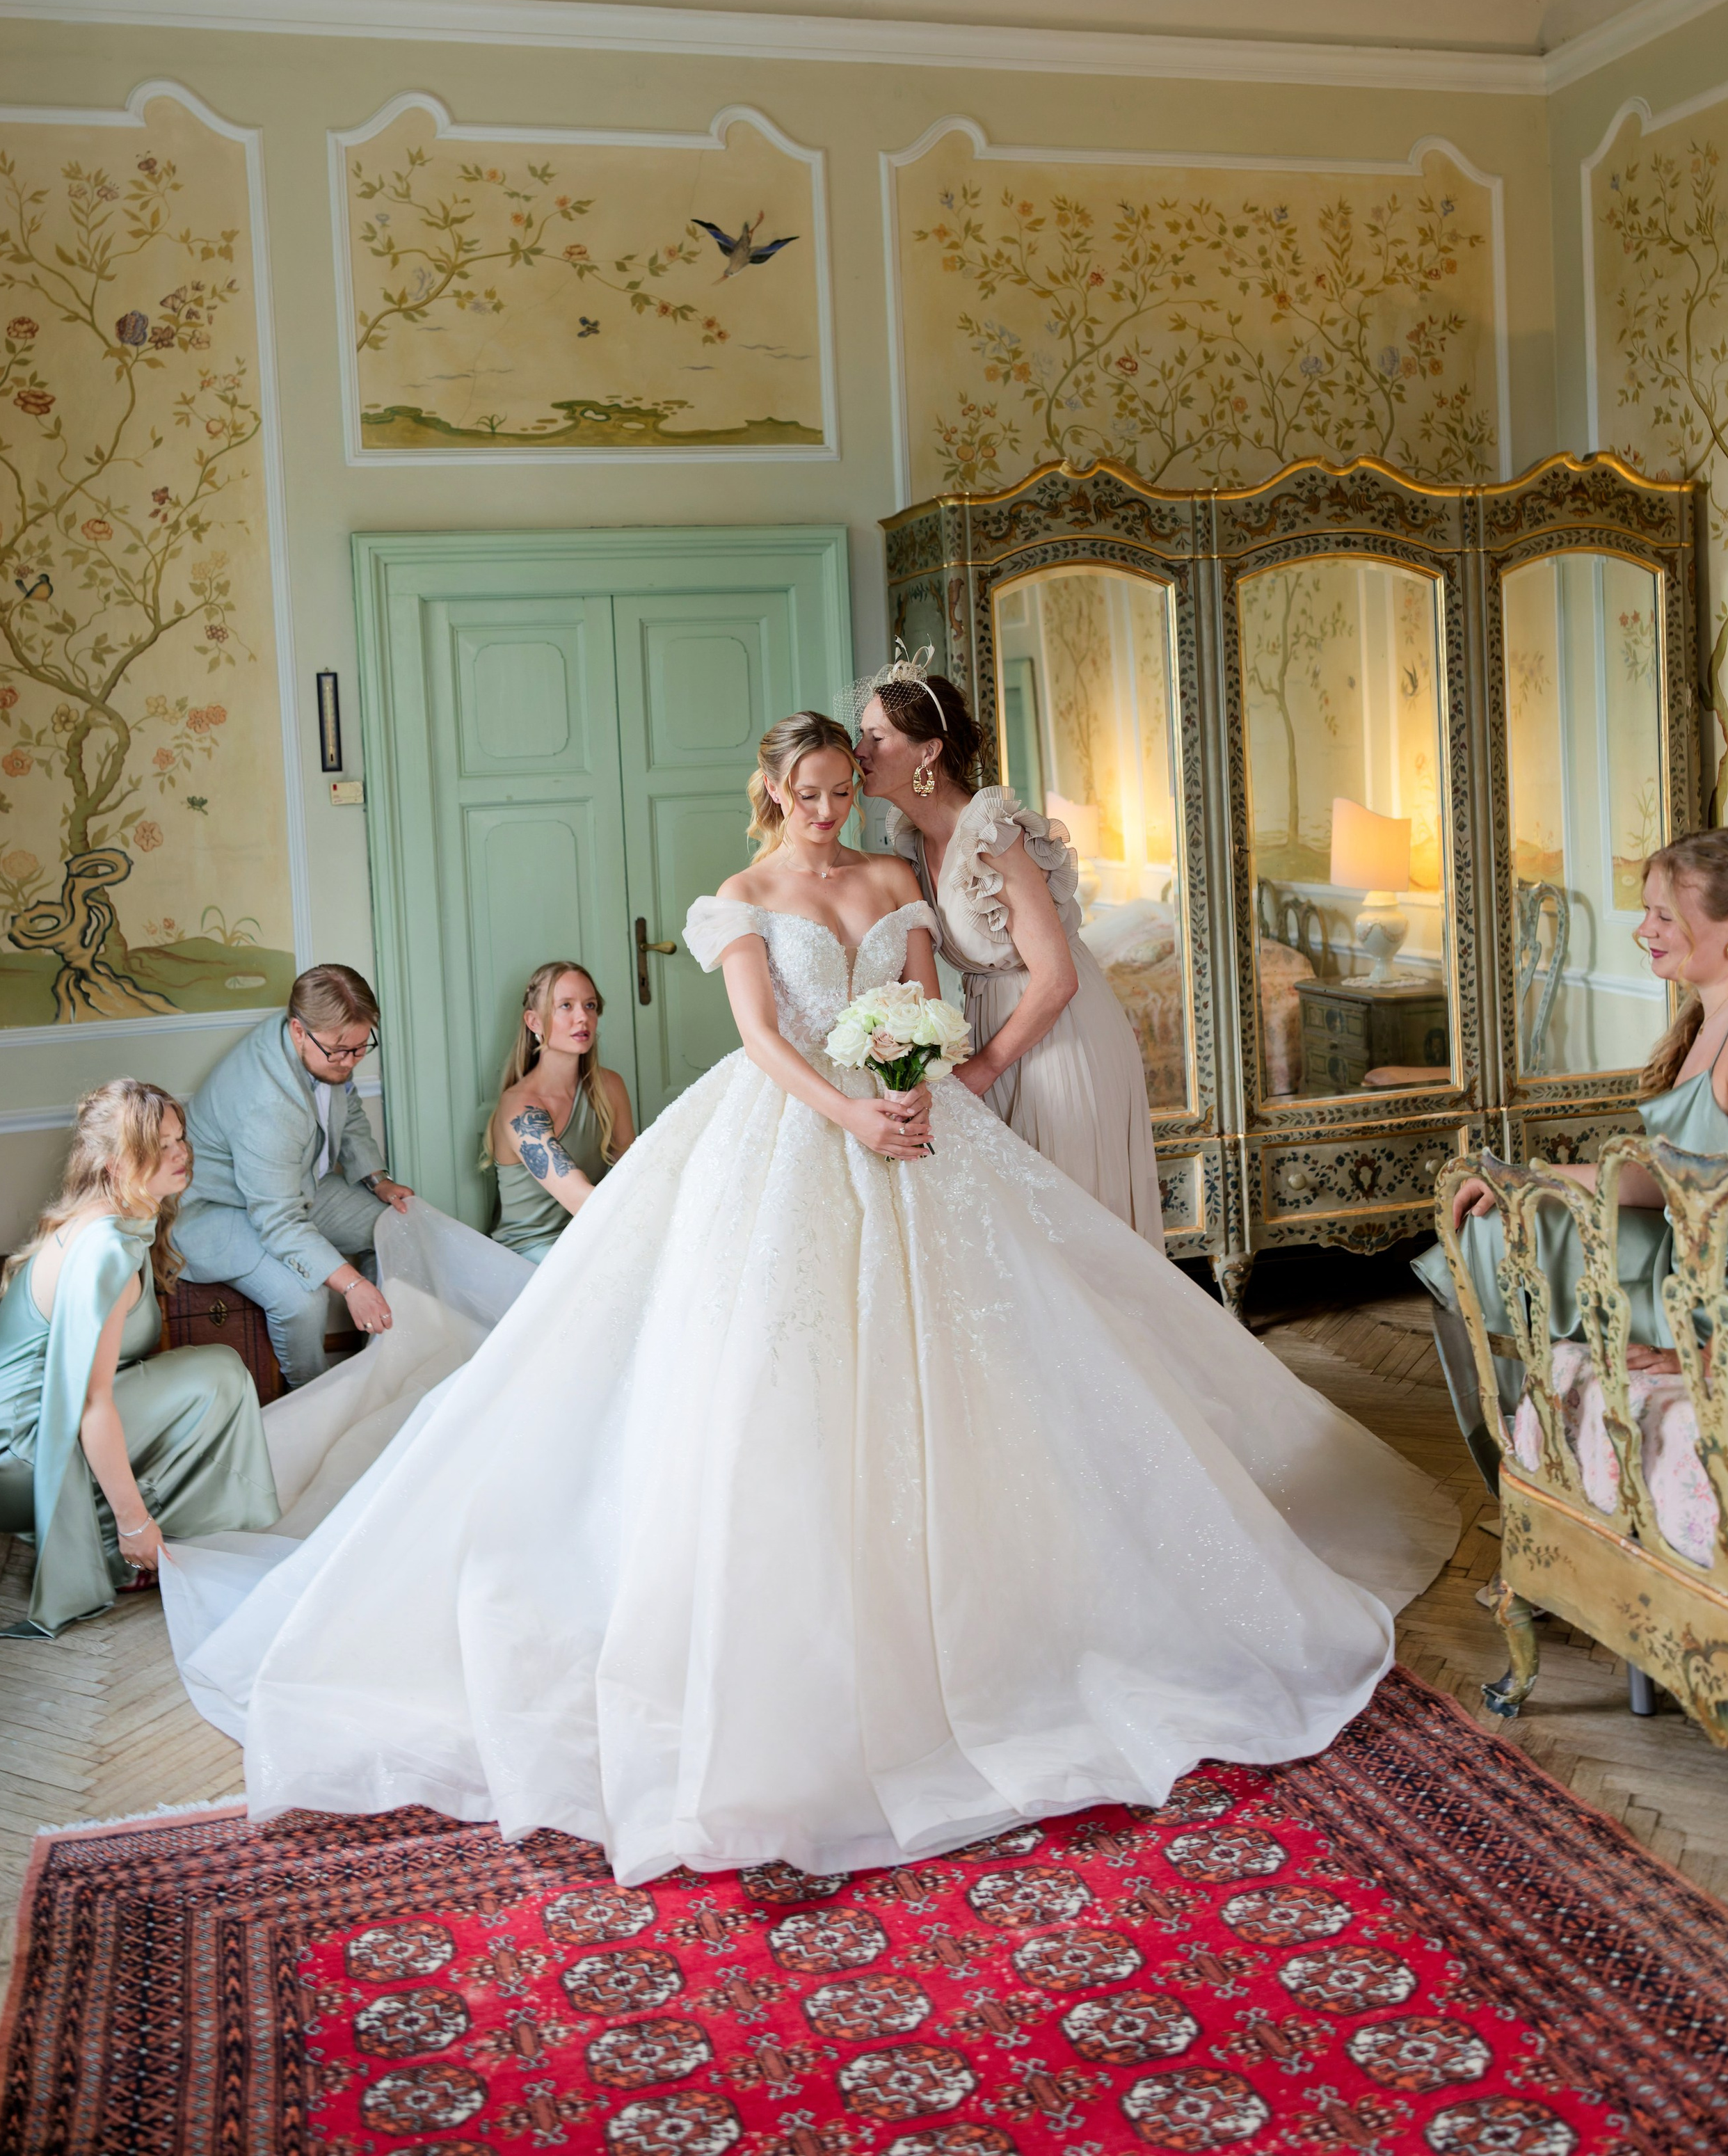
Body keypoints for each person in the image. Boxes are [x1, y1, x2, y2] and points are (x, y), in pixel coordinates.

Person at [165, 708, 1455, 1883]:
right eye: (808, 790)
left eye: (844, 787)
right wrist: (854, 1109)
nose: (829, 808)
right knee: (787, 1376)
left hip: (920, 1120)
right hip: (797, 1130)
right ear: (771, 791)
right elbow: (766, 1041)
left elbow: (931, 1007)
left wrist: (921, 1085)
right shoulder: (741, 896)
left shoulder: (897, 879)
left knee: (1004, 1358)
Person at [1416, 828, 1728, 1478]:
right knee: (1489, 1225)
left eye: (1665, 915)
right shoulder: (1713, 1017)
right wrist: (1522, 1177)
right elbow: (1667, 1179)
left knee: (1490, 1240)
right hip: (1678, 1250)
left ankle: (1524, 1473)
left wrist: (1724, 1347)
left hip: (1710, 1284)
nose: (1643, 930)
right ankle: (1530, 1467)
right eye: (1646, 912)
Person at [855, 650, 1167, 1250]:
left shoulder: (992, 836)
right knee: (1018, 1237)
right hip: (993, 1030)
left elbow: (1057, 979)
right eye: (861, 736)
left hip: (1060, 1035)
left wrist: (983, 1069)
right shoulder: (915, 845)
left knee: (1072, 1227)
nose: (860, 751)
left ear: (928, 752)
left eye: (877, 737)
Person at [0, 1083, 278, 1638]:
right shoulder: (103, 1251)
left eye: (180, 1138)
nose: (181, 1153)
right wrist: (133, 1525)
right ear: (115, 1165)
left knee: (213, 1369)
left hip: (21, 1440)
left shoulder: (115, 1219)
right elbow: (91, 1405)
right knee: (219, 1377)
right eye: (160, 1145)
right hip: (20, 1455)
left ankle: (141, 1528)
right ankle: (125, 1543)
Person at [173, 964, 413, 1388]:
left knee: (394, 1225)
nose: (350, 1061)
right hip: (222, 1211)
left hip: (292, 1186)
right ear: (299, 1031)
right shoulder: (264, 1102)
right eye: (341, 1051)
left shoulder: (326, 1043)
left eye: (361, 1049)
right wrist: (353, 1285)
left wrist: (378, 1180)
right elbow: (279, 1220)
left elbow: (349, 1108)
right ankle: (309, 1399)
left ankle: (378, 1369)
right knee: (305, 1300)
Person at [485, 961, 635, 1259]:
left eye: (590, 1005)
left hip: (590, 1238)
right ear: (534, 1022)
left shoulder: (610, 1087)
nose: (583, 1017)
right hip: (531, 1254)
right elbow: (580, 1199)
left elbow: (631, 1173)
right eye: (566, 1006)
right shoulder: (519, 1108)